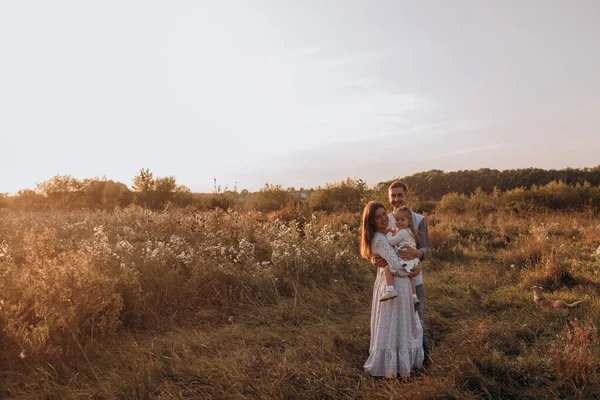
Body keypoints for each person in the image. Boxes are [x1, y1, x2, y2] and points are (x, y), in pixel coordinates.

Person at [360, 201, 424, 377]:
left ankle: (400, 365)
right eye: (377, 217)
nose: (382, 219)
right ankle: (392, 367)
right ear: (371, 221)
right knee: (394, 327)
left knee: (399, 327)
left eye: (383, 214)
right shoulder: (380, 239)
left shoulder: (387, 234)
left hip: (397, 285)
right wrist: (413, 270)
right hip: (396, 285)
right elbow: (395, 266)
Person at [373, 181, 431, 365]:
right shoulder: (384, 218)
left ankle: (423, 361)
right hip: (391, 281)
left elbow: (425, 247)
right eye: (393, 196)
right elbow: (374, 244)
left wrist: (418, 256)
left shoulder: (420, 219)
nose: (396, 199)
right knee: (393, 325)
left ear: (407, 195)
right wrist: (372, 259)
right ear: (389, 198)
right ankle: (398, 362)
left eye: (400, 195)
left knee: (417, 321)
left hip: (413, 278)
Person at [379, 207, 420, 312]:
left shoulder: (403, 233)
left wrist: (388, 232)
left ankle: (390, 289)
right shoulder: (407, 232)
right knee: (410, 278)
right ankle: (414, 298)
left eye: (402, 220)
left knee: (387, 269)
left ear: (409, 221)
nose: (399, 222)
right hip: (412, 261)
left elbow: (391, 242)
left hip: (405, 260)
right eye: (397, 220)